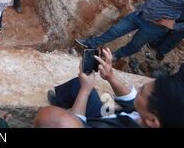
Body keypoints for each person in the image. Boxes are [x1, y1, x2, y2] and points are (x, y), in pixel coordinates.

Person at [36, 48, 184, 128]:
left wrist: (85, 91)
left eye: (142, 91)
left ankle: (69, 109)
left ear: (152, 121)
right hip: (109, 117)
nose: (138, 89)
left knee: (53, 118)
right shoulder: (157, 116)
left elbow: (77, 124)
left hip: (95, 124)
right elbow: (132, 100)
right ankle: (62, 102)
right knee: (78, 83)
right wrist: (110, 76)